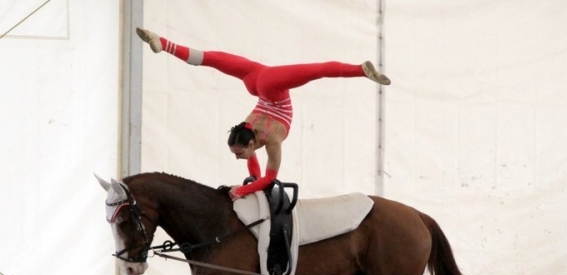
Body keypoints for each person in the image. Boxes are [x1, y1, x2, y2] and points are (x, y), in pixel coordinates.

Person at [136, 28, 391, 201]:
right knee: (210, 59)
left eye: (239, 153)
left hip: (267, 85)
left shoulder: (263, 138)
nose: (240, 158)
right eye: (240, 154)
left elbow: (266, 177)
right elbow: (267, 178)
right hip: (259, 80)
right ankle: (164, 43)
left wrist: (244, 189)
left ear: (249, 143)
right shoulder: (266, 138)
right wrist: (250, 186)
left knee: (316, 70)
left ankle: (361, 70)